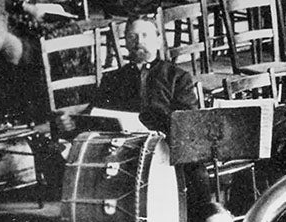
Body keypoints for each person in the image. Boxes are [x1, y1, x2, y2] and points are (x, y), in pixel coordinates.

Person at [55, 16, 209, 207]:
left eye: (145, 35)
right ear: (125, 43)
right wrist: (71, 125)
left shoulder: (177, 77)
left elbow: (188, 123)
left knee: (197, 174)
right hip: (126, 152)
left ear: (159, 40)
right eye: (132, 37)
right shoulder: (113, 79)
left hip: (166, 148)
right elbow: (94, 116)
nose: (139, 42)